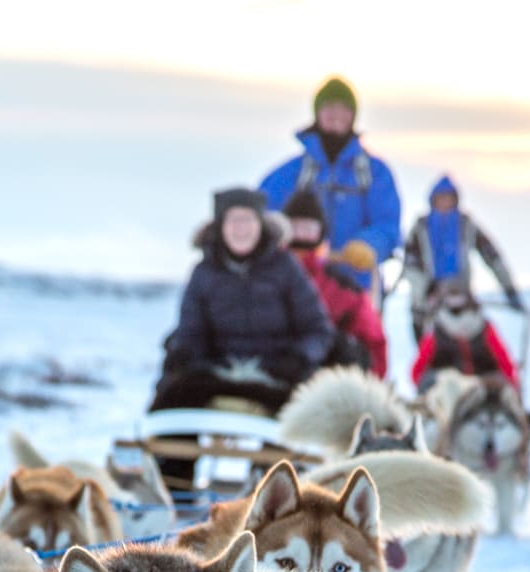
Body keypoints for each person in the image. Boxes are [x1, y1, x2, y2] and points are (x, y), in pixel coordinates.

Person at [150, 187, 334, 419]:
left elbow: (317, 329)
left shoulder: (286, 268)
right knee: (172, 396)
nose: (241, 229)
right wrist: (186, 355)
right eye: (233, 220)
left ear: (261, 224)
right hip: (216, 374)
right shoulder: (203, 272)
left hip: (275, 375)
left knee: (296, 415)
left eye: (247, 220)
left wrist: (299, 358)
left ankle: (276, 457)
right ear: (220, 226)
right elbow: (190, 330)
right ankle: (162, 451)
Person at [260, 76, 402, 303]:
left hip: (356, 289)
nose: (336, 115)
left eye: (343, 109)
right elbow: (264, 217)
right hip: (297, 286)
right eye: (329, 108)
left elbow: (388, 224)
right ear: (317, 113)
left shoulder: (375, 173)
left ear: (353, 116)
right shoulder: (290, 173)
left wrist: (369, 245)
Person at [281, 189, 389, 379]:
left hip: (323, 380)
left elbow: (374, 346)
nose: (300, 236)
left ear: (320, 233)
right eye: (295, 227)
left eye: (308, 229)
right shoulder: (262, 277)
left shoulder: (344, 290)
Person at [402, 175, 524, 344]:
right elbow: (410, 264)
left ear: (455, 200)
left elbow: (493, 257)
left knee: (471, 338)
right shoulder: (421, 227)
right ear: (433, 200)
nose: (445, 203)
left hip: (461, 294)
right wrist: (422, 293)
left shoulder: (466, 225)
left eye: (449, 198)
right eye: (441, 198)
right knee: (429, 343)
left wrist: (509, 290)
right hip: (429, 297)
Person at [409, 278, 521, 392]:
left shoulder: (438, 331)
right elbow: (507, 366)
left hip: (472, 393)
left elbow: (416, 373)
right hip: (460, 391)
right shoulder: (483, 328)